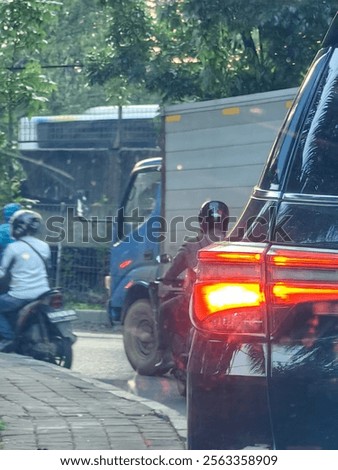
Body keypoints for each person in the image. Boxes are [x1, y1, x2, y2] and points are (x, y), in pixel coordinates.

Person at [157, 200, 230, 360]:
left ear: (202, 222)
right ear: (225, 222)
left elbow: (172, 272)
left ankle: (165, 356)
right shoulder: (234, 245)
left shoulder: (191, 246)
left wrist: (166, 282)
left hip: (197, 301)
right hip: (230, 303)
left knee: (164, 310)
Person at [0, 209, 51, 351]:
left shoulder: (13, 248)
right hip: (43, 292)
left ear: (17, 227)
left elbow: (2, 272)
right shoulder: (44, 246)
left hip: (20, 295)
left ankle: (8, 337)